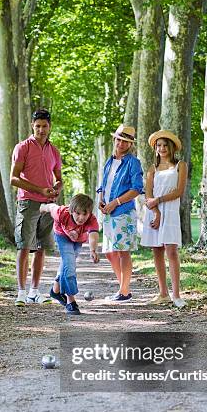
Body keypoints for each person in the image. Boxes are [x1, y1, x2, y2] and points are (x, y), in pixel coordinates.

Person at [10, 109, 63, 306]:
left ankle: (34, 291)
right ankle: (21, 292)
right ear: (32, 125)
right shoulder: (22, 148)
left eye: (45, 126)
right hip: (28, 203)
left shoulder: (54, 151)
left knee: (41, 248)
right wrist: (40, 189)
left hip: (48, 205)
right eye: (38, 126)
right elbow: (13, 179)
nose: (41, 130)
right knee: (24, 246)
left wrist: (56, 188)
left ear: (50, 127)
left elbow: (59, 179)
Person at [141, 129, 188, 308]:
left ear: (171, 147)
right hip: (155, 213)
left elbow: (178, 191)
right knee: (157, 251)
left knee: (172, 251)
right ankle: (163, 293)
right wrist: (156, 212)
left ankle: (176, 295)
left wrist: (159, 201)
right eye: (158, 145)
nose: (161, 148)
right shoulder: (152, 169)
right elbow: (148, 194)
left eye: (164, 145)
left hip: (171, 212)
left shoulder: (180, 166)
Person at [98, 124, 143, 302]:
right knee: (110, 253)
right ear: (114, 139)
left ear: (131, 144)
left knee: (123, 251)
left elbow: (137, 189)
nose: (121, 144)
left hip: (123, 212)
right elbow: (103, 185)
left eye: (126, 141)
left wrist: (115, 202)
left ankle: (124, 291)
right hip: (108, 212)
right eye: (119, 139)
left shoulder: (133, 163)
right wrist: (101, 199)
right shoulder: (109, 161)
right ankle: (123, 288)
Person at [40, 194, 99, 315]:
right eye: (78, 213)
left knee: (67, 264)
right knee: (69, 265)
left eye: (85, 214)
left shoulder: (91, 220)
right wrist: (43, 207)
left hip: (78, 241)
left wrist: (93, 250)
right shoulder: (62, 213)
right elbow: (52, 207)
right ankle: (70, 301)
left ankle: (55, 291)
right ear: (71, 210)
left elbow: (93, 234)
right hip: (62, 236)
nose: (81, 218)